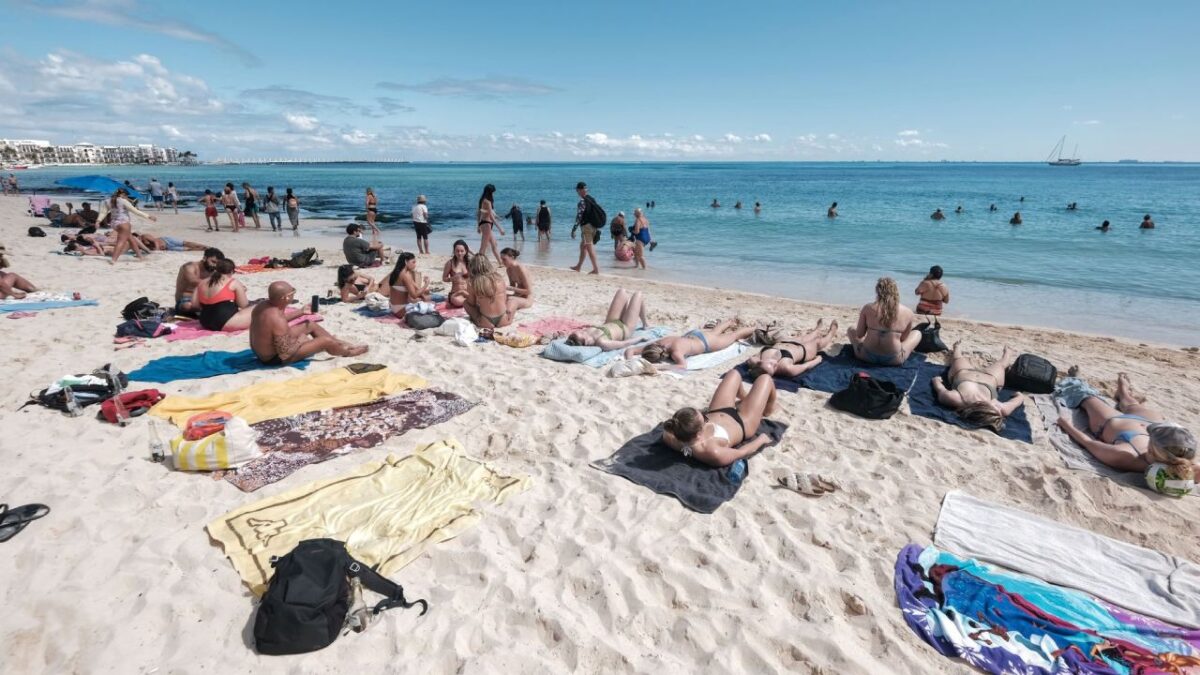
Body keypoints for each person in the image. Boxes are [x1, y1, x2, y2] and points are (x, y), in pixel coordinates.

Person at [1054, 373, 1198, 482]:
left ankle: (1123, 392)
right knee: (1131, 404)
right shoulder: (1188, 466)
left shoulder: (1126, 456)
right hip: (1146, 422)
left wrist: (1067, 425)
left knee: (1083, 394)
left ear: (1150, 447)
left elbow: (1089, 443)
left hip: (1117, 422)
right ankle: (1123, 391)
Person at [661, 369, 778, 467]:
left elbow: (670, 433)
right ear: (698, 434)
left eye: (703, 415)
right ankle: (768, 408)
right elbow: (741, 452)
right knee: (765, 378)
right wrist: (761, 440)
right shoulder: (714, 453)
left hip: (718, 410)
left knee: (734, 373)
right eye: (705, 420)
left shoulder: (672, 434)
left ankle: (745, 398)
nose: (705, 418)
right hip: (743, 423)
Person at [251, 281, 368, 364]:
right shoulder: (278, 319)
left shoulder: (262, 306)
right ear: (286, 298)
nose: (293, 295)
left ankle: (337, 343)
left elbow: (274, 324)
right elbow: (285, 354)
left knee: (309, 324)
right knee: (325, 341)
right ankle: (347, 353)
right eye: (292, 294)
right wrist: (300, 340)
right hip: (274, 358)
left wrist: (301, 312)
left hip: (266, 350)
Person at [931, 342, 1026, 432]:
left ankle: (957, 347)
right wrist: (1018, 395)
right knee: (1001, 365)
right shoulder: (998, 408)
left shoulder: (956, 399)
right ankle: (1008, 353)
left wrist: (937, 381)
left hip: (967, 373)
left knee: (958, 358)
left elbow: (939, 387)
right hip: (989, 378)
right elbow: (1019, 399)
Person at [627, 319, 760, 369]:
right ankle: (730, 322)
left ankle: (756, 328)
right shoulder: (660, 342)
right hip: (695, 334)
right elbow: (631, 351)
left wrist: (659, 368)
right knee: (715, 331)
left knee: (734, 335)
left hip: (707, 343)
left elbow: (682, 366)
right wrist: (629, 360)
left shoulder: (675, 353)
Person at [846, 277, 921, 366]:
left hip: (866, 356)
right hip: (894, 359)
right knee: (917, 333)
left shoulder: (868, 308)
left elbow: (859, 334)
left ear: (878, 291)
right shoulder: (908, 312)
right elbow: (903, 339)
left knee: (851, 329)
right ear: (896, 292)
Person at [744, 320, 838, 378]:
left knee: (805, 337)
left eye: (771, 364)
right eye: (774, 368)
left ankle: (817, 330)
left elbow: (750, 360)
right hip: (803, 351)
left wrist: (754, 365)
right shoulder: (786, 368)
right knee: (817, 342)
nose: (775, 364)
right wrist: (818, 360)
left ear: (760, 362)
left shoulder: (758, 360)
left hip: (786, 343)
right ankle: (831, 333)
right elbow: (804, 366)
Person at [565, 289, 647, 349]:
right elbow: (623, 344)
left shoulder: (586, 333)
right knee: (638, 294)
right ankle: (645, 324)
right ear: (585, 342)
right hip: (625, 328)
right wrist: (640, 338)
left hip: (611, 321)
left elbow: (571, 337)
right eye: (582, 334)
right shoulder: (602, 342)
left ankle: (643, 322)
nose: (583, 331)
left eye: (581, 332)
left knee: (622, 292)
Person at [195, 258, 256, 331]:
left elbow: (195, 305)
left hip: (205, 322)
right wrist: (242, 292)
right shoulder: (233, 282)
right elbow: (243, 304)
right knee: (257, 308)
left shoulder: (202, 282)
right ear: (231, 271)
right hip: (224, 323)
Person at [464, 253, 522, 329]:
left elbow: (471, 303)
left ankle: (477, 319)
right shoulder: (499, 278)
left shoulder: (473, 283)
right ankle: (507, 315)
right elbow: (504, 300)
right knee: (514, 301)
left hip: (485, 322)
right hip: (504, 320)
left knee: (465, 303)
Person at [100, 188, 155, 263]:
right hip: (124, 223)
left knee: (131, 239)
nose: (126, 197)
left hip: (114, 223)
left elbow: (103, 212)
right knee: (121, 241)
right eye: (126, 195)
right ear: (123, 194)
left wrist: (98, 221)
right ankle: (114, 259)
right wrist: (148, 216)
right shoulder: (123, 201)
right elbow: (136, 211)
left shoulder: (107, 201)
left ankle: (140, 256)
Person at [174, 247, 223, 317]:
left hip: (202, 301)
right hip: (185, 300)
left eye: (217, 264)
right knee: (187, 306)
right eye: (213, 262)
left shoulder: (213, 271)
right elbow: (192, 281)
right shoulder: (189, 266)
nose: (215, 265)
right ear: (204, 258)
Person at [569, 181, 602, 275]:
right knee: (583, 246)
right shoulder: (592, 199)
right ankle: (578, 266)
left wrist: (573, 229)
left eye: (577, 190)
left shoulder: (582, 202)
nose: (577, 192)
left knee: (589, 248)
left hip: (587, 228)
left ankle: (596, 269)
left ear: (579, 190)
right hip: (593, 226)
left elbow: (579, 216)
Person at [476, 185, 505, 262]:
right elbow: (491, 217)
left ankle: (500, 262)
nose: (494, 194)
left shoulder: (483, 200)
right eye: (493, 192)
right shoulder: (487, 202)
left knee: (494, 244)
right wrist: (500, 228)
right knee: (484, 246)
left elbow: (480, 213)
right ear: (490, 192)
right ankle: (478, 263)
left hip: (484, 224)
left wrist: (478, 226)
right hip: (486, 224)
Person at [500, 247, 534, 313]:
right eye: (501, 259)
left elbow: (529, 291)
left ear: (512, 257)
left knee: (509, 300)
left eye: (504, 259)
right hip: (517, 296)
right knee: (497, 297)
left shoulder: (521, 269)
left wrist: (511, 288)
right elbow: (512, 287)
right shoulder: (509, 270)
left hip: (527, 298)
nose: (502, 262)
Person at [441, 239, 472, 307]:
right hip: (456, 294)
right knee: (457, 301)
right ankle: (468, 303)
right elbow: (444, 278)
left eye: (462, 251)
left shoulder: (469, 263)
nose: (459, 253)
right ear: (454, 251)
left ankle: (468, 302)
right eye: (457, 251)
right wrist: (451, 278)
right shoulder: (450, 263)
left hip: (468, 292)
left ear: (466, 251)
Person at [138, 233, 209, 252]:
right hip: (167, 248)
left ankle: (205, 246)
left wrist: (157, 250)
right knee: (186, 250)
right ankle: (203, 249)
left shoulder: (144, 236)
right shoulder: (138, 245)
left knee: (185, 243)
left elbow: (155, 241)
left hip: (167, 240)